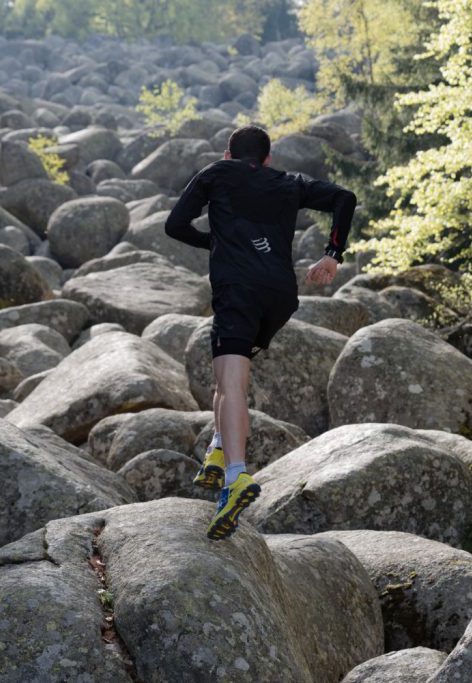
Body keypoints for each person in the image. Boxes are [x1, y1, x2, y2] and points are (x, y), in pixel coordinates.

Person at [165, 125, 356, 540]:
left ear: (228, 154)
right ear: (267, 159)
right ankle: (218, 445)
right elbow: (345, 198)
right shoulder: (288, 182)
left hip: (239, 290)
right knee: (227, 374)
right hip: (280, 296)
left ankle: (235, 475)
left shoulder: (216, 173)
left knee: (231, 381)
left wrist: (215, 242)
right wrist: (332, 255)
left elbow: (175, 225)